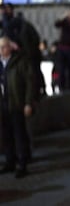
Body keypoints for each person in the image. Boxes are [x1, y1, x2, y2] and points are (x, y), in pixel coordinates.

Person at [0, 36, 35, 178]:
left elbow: (30, 82)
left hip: (16, 103)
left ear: (10, 47)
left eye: (4, 47)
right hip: (3, 104)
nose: (1, 50)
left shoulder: (20, 61)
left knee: (19, 134)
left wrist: (28, 102)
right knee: (5, 134)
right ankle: (10, 161)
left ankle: (22, 162)